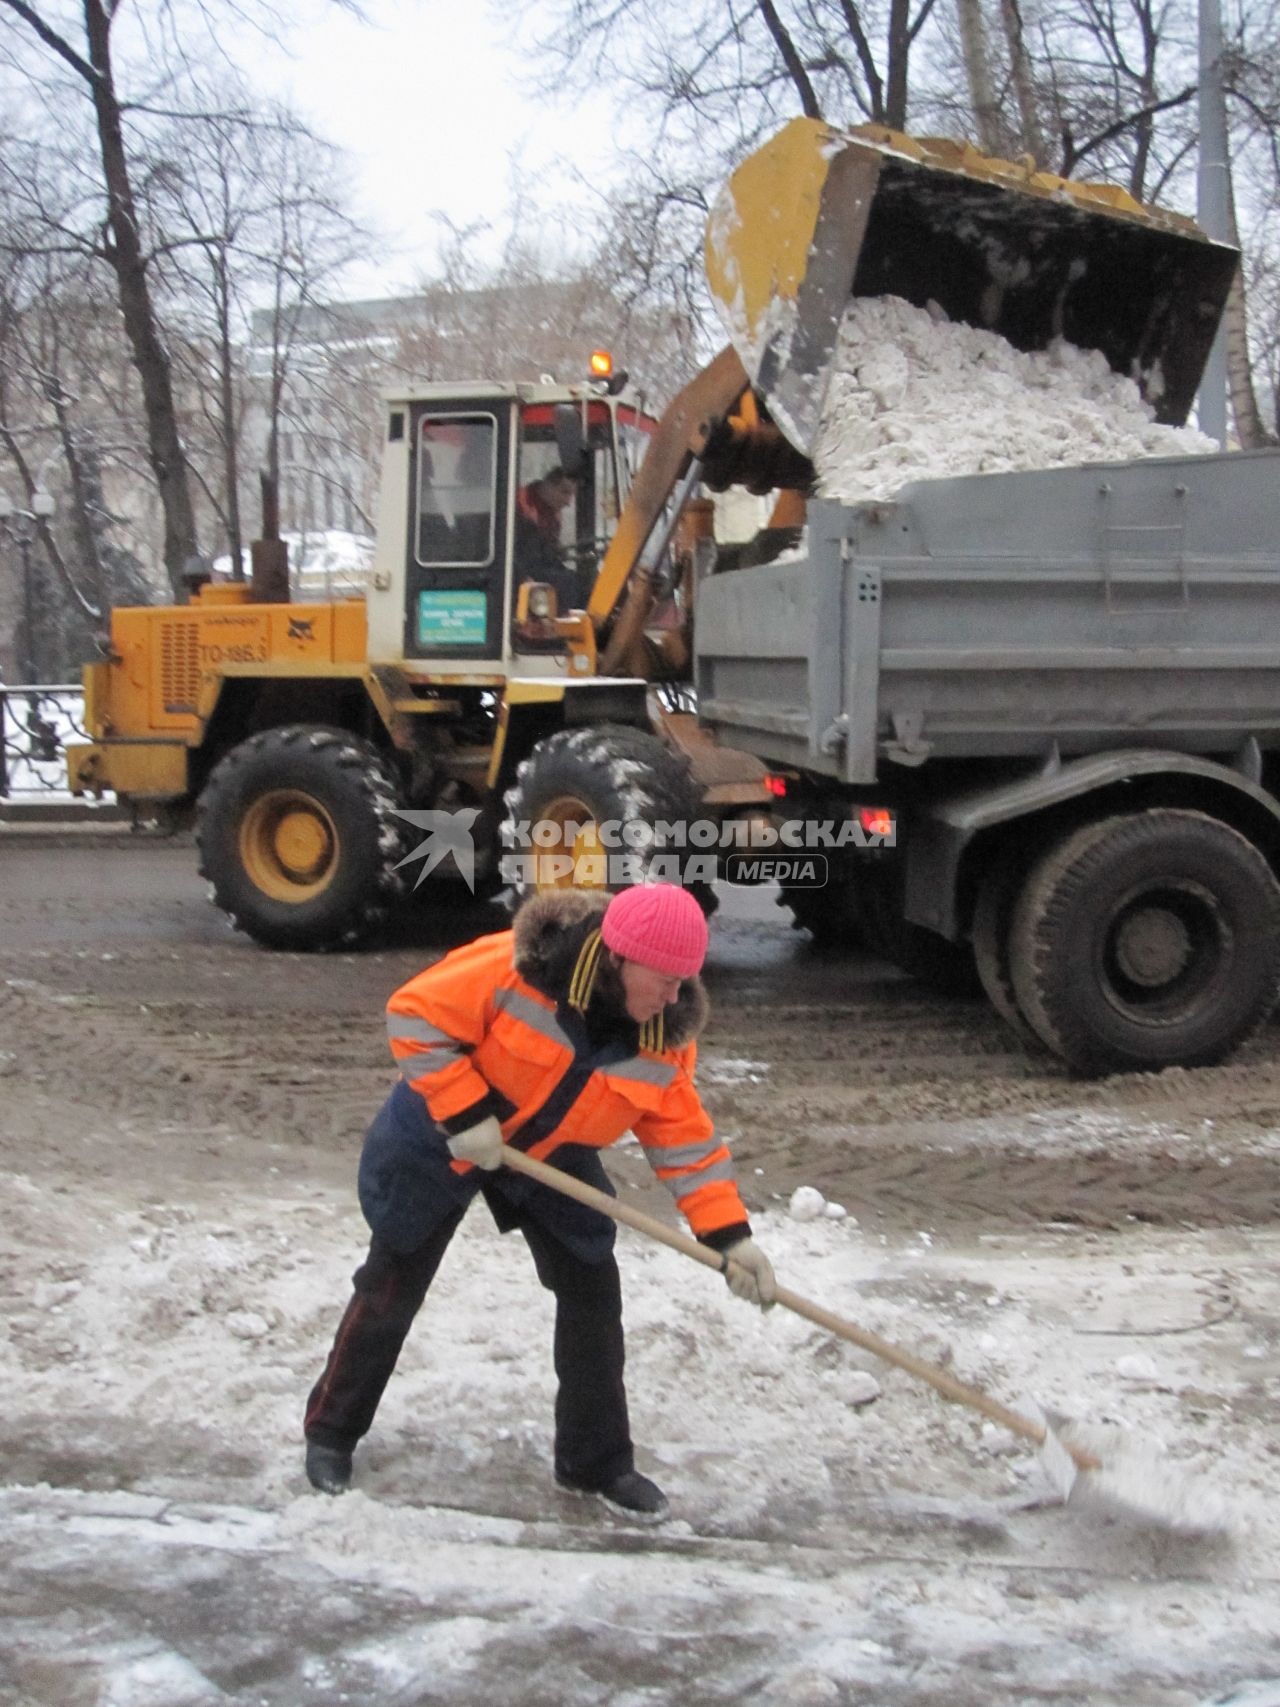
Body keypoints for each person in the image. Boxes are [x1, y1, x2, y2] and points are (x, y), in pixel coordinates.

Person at [303, 883, 776, 1520]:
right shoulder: (513, 967)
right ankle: (331, 1432)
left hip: (552, 1149)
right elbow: (414, 1013)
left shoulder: (663, 1036)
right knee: (394, 1278)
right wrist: (466, 1111)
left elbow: (684, 1141)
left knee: (592, 1291)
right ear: (618, 960)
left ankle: (595, 1463)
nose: (676, 996)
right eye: (665, 980)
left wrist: (729, 1237)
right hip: (448, 1124)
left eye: (685, 980)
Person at [514, 465, 585, 611]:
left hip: (538, 566)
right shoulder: (518, 506)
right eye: (565, 492)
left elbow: (549, 552)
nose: (568, 502)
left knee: (580, 581)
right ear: (548, 485)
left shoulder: (552, 515)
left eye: (571, 495)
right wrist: (522, 576)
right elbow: (510, 550)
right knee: (566, 582)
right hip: (517, 571)